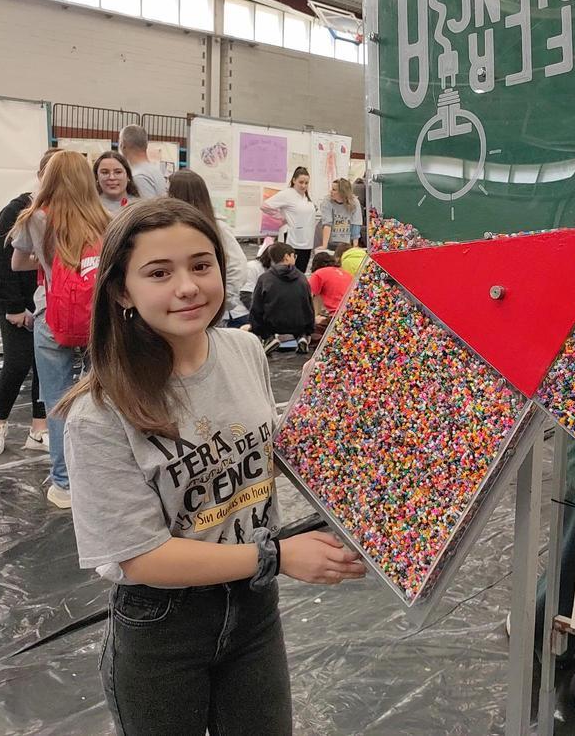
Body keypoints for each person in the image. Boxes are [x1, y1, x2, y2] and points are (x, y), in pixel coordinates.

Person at [55, 198, 365, 736]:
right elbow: (140, 557)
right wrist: (278, 555)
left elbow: (261, 447)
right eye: (159, 273)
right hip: (164, 628)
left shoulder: (243, 350)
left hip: (254, 609)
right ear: (122, 291)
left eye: (201, 265)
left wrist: (332, 411)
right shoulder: (100, 414)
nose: (188, 287)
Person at [10, 150, 110, 509]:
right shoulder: (105, 218)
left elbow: (17, 264)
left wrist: (47, 257)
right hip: (97, 320)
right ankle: (100, 476)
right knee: (101, 397)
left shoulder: (35, 217)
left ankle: (64, 484)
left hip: (52, 316)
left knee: (57, 401)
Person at [0, 150, 59, 456]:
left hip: (48, 303)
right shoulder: (17, 209)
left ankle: (39, 428)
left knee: (45, 366)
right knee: (16, 363)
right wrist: (13, 307)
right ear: (41, 175)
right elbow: (2, 263)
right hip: (17, 301)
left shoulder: (68, 211)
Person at [167, 170, 248, 328]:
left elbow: (238, 266)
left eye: (168, 191)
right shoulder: (170, 229)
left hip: (210, 313)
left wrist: (223, 300)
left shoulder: (216, 228)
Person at [248, 241, 314, 355]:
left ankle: (269, 338)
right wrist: (309, 329)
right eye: (294, 256)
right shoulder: (301, 277)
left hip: (273, 323)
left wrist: (256, 327)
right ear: (286, 257)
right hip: (299, 322)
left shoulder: (265, 278)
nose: (295, 258)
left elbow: (256, 307)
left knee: (259, 313)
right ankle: (302, 337)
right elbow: (309, 304)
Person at [260, 167, 316, 272]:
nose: (303, 185)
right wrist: (282, 218)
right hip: (292, 241)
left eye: (306, 183)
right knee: (288, 272)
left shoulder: (307, 196)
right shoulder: (287, 194)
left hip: (307, 242)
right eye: (301, 182)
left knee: (301, 273)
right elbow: (265, 206)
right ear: (294, 180)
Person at [307, 250, 352, 338]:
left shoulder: (318, 274)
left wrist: (313, 318)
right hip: (352, 314)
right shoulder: (346, 273)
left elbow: (308, 297)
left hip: (336, 317)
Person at [119, 124, 167, 198]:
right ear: (146, 145)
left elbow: (148, 205)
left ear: (123, 145)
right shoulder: (155, 170)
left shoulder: (138, 177)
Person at [319, 179, 364, 252]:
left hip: (347, 241)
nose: (331, 192)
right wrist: (324, 245)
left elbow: (356, 224)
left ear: (342, 192)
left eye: (334, 190)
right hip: (331, 241)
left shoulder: (354, 202)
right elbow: (327, 224)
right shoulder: (327, 200)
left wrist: (355, 245)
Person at [93, 150, 141, 217]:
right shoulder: (90, 209)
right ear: (96, 177)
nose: (111, 177)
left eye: (118, 172)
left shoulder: (140, 208)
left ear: (128, 176)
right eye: (105, 172)